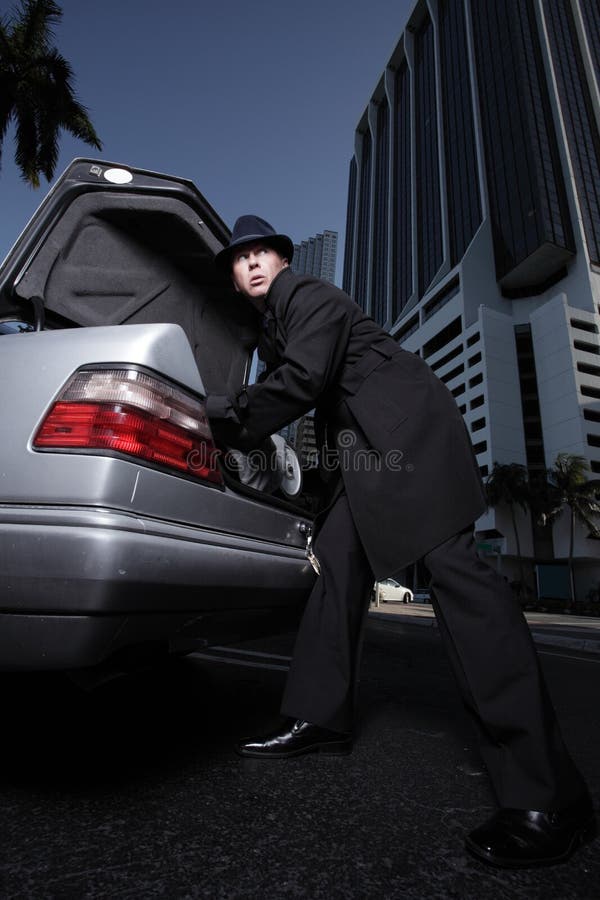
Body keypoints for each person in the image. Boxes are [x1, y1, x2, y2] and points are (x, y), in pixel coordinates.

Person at [207, 215, 595, 869]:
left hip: (409, 438)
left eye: (260, 253)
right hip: (364, 462)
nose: (249, 264)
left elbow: (302, 381)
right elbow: (330, 408)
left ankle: (550, 796)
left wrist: (219, 418)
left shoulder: (306, 296)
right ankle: (319, 715)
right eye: (237, 258)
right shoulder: (275, 325)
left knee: (459, 578)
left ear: (281, 259)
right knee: (334, 564)